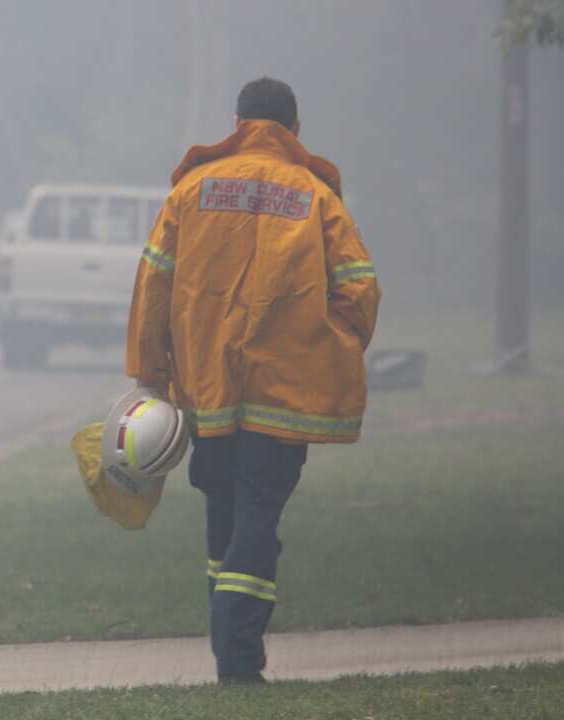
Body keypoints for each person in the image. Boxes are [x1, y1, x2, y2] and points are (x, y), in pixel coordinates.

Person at [125, 77, 381, 683]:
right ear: (293, 131)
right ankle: (239, 660)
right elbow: (359, 289)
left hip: (206, 390)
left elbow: (154, 284)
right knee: (259, 516)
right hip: (282, 396)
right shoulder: (315, 195)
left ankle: (230, 653)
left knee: (224, 510)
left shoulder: (191, 191)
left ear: (237, 122)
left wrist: (151, 373)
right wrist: (328, 347)